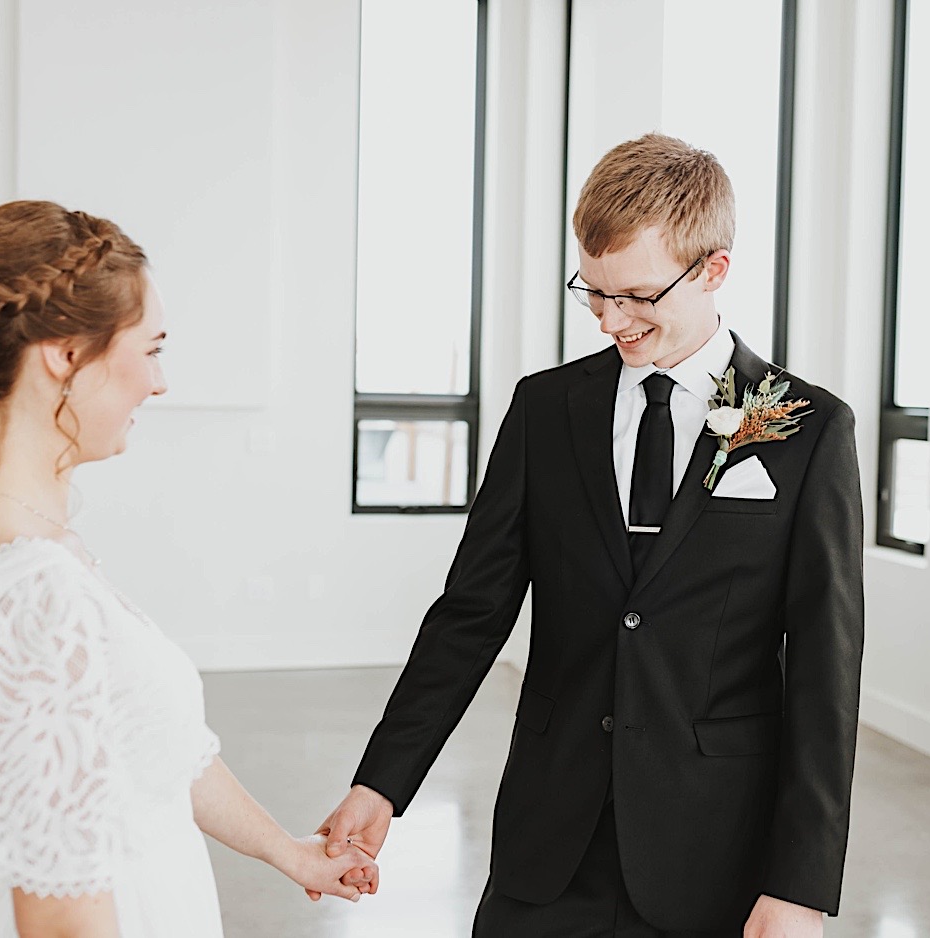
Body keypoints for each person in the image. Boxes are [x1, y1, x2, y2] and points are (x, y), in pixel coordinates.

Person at [316, 133, 864, 936]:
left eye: (638, 295)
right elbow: (470, 616)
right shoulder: (546, 410)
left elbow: (825, 672)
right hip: (548, 843)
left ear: (713, 268)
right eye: (595, 293)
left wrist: (802, 885)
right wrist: (382, 783)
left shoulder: (807, 429)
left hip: (713, 852)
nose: (614, 320)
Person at [0, 201, 377, 936]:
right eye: (150, 348)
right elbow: (60, 919)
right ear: (65, 352)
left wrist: (291, 854)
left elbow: (149, 748)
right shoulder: (36, 596)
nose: (159, 382)